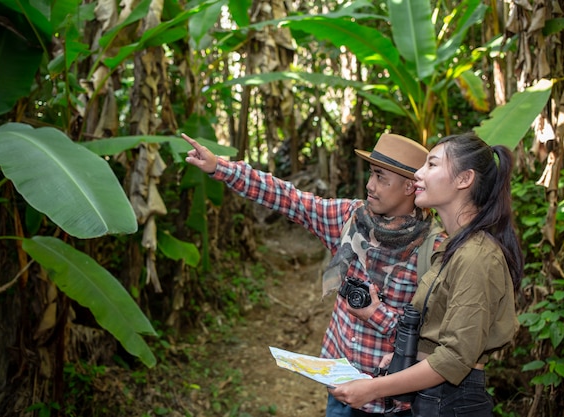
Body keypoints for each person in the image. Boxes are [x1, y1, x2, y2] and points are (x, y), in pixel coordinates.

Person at [183, 132, 445, 417]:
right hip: (339, 390)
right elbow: (289, 198)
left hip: (392, 404)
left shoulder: (433, 252)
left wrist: (375, 313)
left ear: (410, 187)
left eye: (382, 178)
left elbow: (435, 344)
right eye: (371, 174)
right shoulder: (350, 219)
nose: (369, 185)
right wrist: (220, 168)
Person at [329, 132, 524, 417]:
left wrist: (372, 389)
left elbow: (454, 358)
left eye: (431, 165)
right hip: (433, 400)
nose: (418, 174)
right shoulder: (452, 248)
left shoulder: (477, 256)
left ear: (463, 179)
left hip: (453, 404)